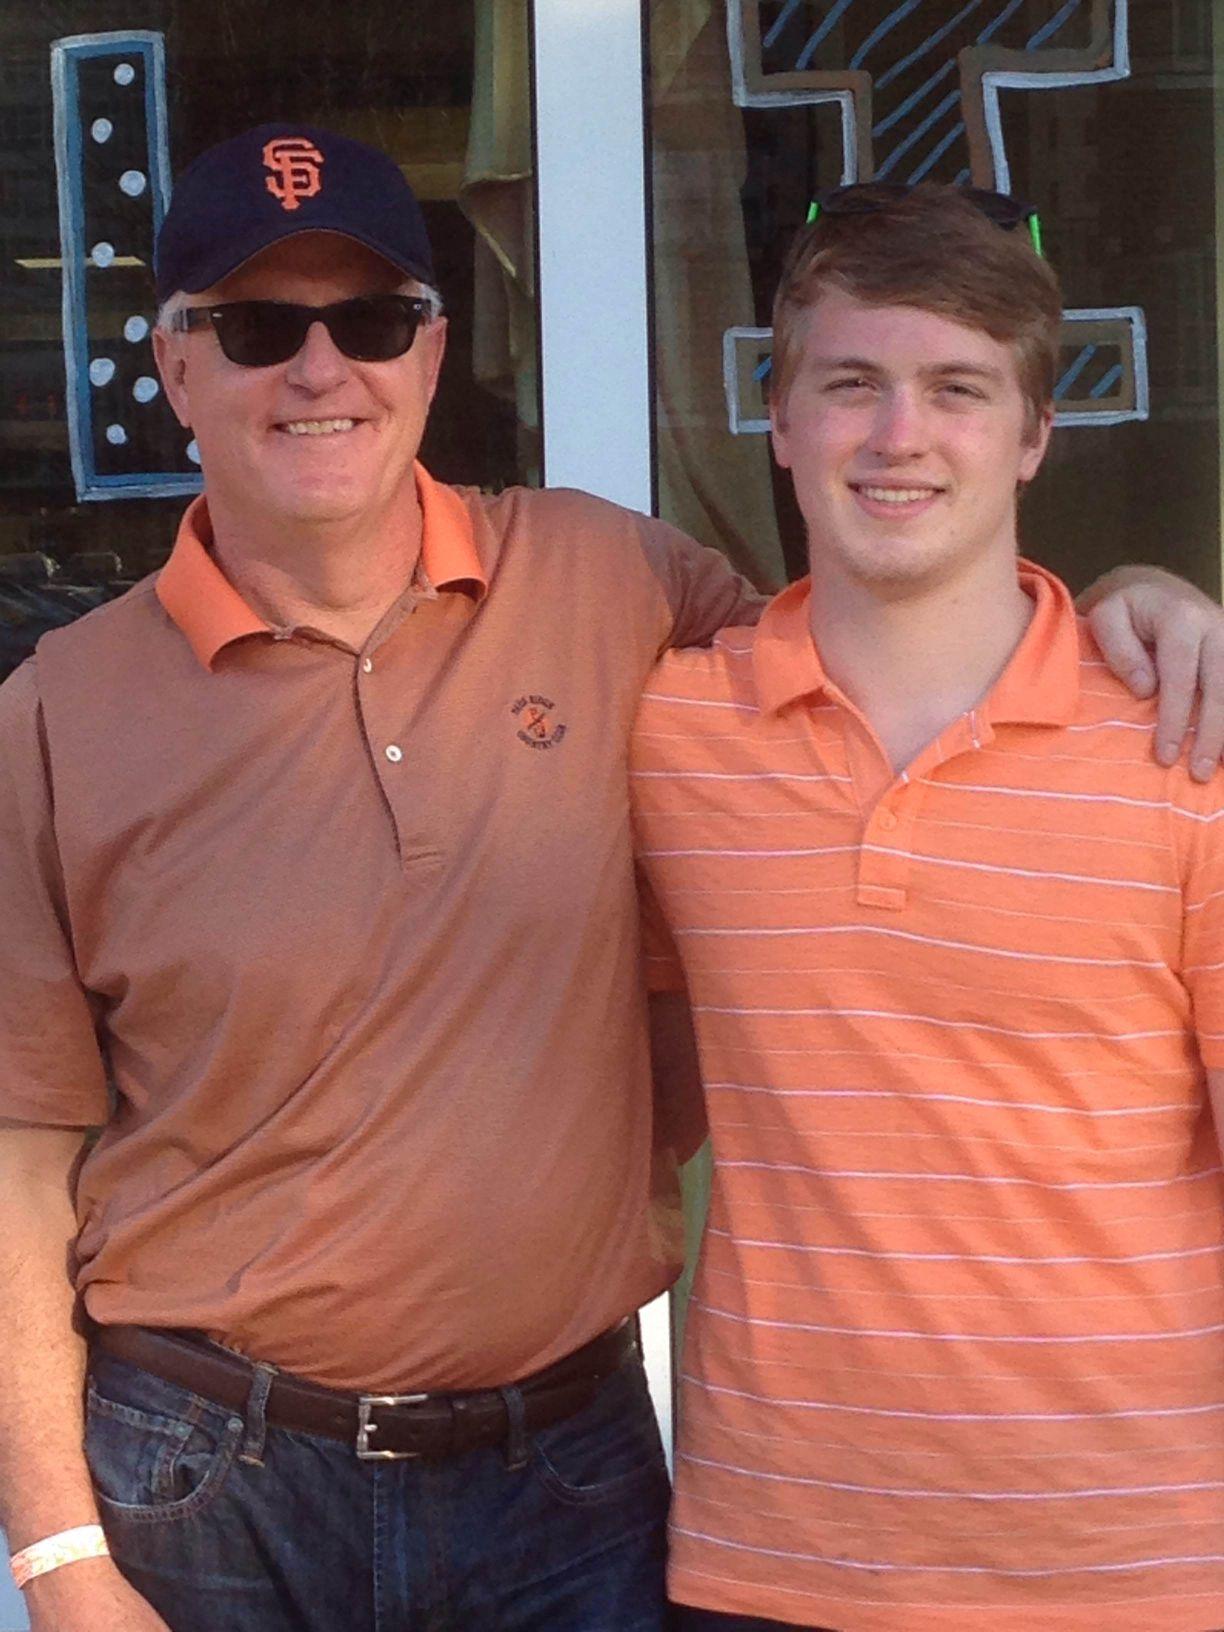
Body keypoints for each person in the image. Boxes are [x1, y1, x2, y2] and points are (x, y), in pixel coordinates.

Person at [0, 129, 1216, 1632]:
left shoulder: (616, 590)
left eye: (368, 320)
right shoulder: (59, 711)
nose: (320, 370)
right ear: (176, 366)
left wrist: (1128, 612)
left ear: (430, 351)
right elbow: (21, 1153)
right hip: (211, 1478)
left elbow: (904, 622)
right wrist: (56, 1555)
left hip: (568, 1479)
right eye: (256, 328)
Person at [632, 183, 1224, 1632]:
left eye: (958, 389)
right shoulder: (669, 735)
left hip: (1136, 1566)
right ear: (779, 422)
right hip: (775, 1559)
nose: (900, 434)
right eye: (852, 384)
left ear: (1033, 435)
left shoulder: (1187, 748)